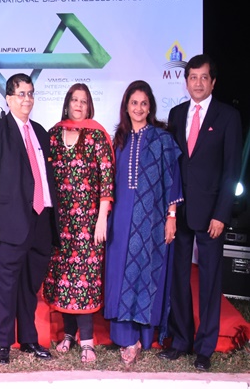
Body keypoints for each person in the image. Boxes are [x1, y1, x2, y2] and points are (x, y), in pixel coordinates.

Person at [161, 55, 242, 371]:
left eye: (204, 77)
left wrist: (222, 213)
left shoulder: (228, 117)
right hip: (180, 212)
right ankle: (181, 340)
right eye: (193, 77)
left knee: (209, 281)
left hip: (211, 215)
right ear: (186, 82)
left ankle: (205, 348)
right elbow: (173, 166)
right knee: (178, 278)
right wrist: (170, 211)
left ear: (213, 82)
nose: (198, 83)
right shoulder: (176, 114)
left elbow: (231, 170)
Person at [0, 73, 59, 365]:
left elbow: (46, 177)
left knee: (29, 287)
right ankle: (3, 344)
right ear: (9, 98)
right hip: (9, 224)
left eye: (30, 93)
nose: (27, 99)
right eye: (21, 94)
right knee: (7, 286)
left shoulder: (41, 132)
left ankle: (29, 339)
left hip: (41, 221)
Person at [104, 80, 182, 365]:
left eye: (144, 103)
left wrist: (171, 217)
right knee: (120, 273)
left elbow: (173, 180)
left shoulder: (163, 139)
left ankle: (141, 337)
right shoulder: (119, 140)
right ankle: (125, 337)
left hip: (152, 220)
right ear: (126, 106)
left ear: (150, 108)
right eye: (134, 103)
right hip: (121, 219)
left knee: (145, 273)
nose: (138, 108)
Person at [41, 83, 114, 363]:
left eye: (83, 101)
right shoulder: (53, 135)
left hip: (88, 222)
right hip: (60, 223)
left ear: (89, 105)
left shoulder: (97, 135)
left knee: (85, 279)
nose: (79, 105)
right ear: (67, 103)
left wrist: (102, 218)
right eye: (74, 100)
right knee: (64, 279)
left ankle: (87, 342)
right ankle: (69, 334)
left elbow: (107, 180)